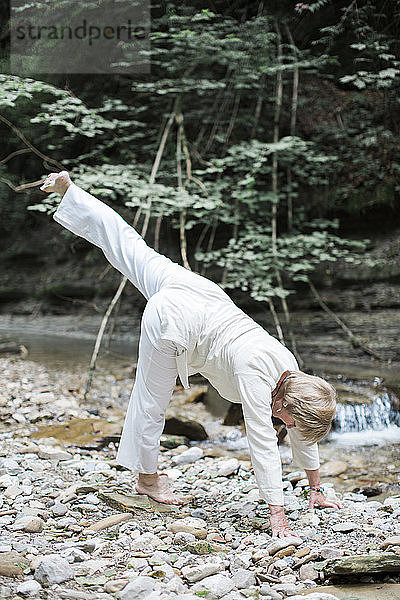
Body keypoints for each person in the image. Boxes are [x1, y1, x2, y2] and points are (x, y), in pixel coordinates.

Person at [41, 171, 341, 538]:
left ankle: (69, 191)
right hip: (176, 319)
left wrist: (317, 488)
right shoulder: (258, 380)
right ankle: (147, 482)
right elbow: (262, 445)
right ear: (285, 407)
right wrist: (278, 517)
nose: (286, 428)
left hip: (199, 293)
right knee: (152, 399)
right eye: (288, 422)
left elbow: (301, 432)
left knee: (130, 246)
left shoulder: (291, 374)